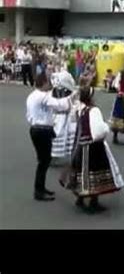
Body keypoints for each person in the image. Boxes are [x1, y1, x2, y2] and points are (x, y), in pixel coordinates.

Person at [60, 86, 124, 214]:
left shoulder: (80, 109)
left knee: (81, 171)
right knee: (94, 172)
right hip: (92, 146)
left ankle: (80, 198)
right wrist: (106, 127)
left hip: (80, 144)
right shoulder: (93, 110)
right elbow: (98, 131)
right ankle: (93, 201)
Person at [26, 73, 76, 201]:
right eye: (48, 82)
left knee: (44, 161)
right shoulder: (43, 96)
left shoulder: (32, 96)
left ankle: (41, 188)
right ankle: (38, 191)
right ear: (43, 83)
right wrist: (73, 96)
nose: (50, 85)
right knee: (44, 162)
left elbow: (30, 115)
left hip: (36, 129)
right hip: (42, 130)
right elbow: (60, 105)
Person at [50, 71, 78, 165]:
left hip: (62, 116)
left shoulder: (60, 90)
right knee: (62, 136)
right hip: (62, 116)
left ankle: (55, 156)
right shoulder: (63, 91)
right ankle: (55, 156)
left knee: (62, 136)